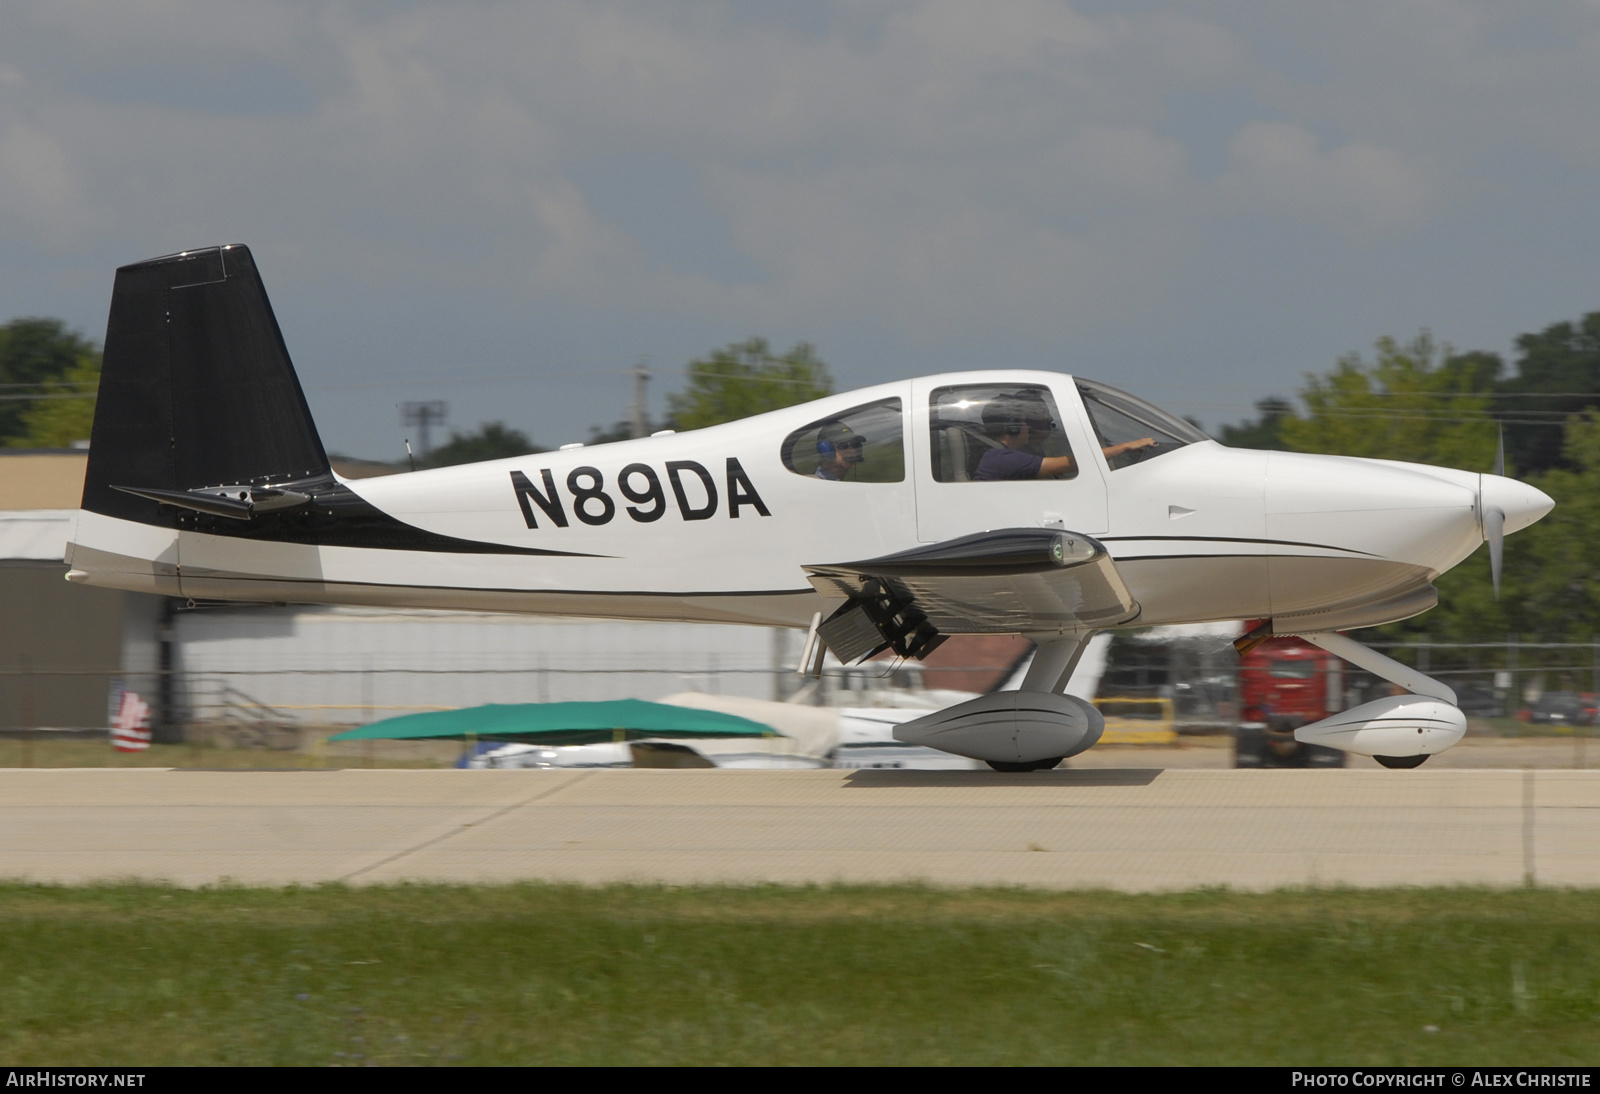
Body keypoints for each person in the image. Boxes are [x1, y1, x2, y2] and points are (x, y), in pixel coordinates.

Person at [975, 394, 1155, 481]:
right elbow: (1069, 463)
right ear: (1012, 426)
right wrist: (1125, 447)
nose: (1028, 426)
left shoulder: (1004, 455)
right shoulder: (1001, 459)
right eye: (1024, 421)